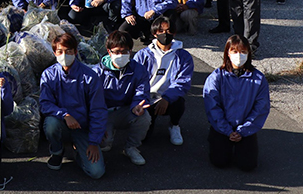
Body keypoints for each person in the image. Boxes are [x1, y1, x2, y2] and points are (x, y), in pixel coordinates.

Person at [40, 32, 106, 179]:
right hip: (62, 124)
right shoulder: (49, 75)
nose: (65, 55)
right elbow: (45, 104)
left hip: (83, 128)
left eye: (69, 51)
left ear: (76, 52)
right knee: (50, 123)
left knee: (96, 172)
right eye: (60, 51)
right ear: (54, 53)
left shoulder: (90, 76)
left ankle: (79, 153)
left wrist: (94, 141)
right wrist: (65, 115)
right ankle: (57, 151)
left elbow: (98, 110)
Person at [203, 35, 270, 172]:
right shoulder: (216, 77)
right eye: (234, 51)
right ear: (227, 53)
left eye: (243, 52)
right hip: (221, 127)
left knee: (247, 165)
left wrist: (243, 131)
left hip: (245, 128)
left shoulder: (258, 79)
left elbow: (261, 108)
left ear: (248, 54)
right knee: (219, 162)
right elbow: (212, 106)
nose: (239, 56)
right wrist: (226, 130)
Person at [92, 31, 151, 166]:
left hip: (126, 109)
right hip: (104, 112)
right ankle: (107, 137)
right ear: (109, 51)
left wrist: (137, 105)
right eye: (117, 51)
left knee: (144, 117)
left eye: (125, 51)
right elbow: (91, 100)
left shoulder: (139, 70)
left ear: (130, 51)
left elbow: (141, 92)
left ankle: (131, 147)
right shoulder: (97, 72)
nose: (121, 55)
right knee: (104, 145)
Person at [133, 16, 193, 146]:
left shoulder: (184, 56)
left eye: (169, 31)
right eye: (161, 31)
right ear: (154, 33)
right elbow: (136, 81)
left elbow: (183, 82)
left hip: (168, 98)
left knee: (179, 102)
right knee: (144, 139)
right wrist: (142, 100)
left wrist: (166, 98)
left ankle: (174, 125)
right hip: (147, 98)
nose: (165, 34)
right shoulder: (142, 55)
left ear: (174, 33)